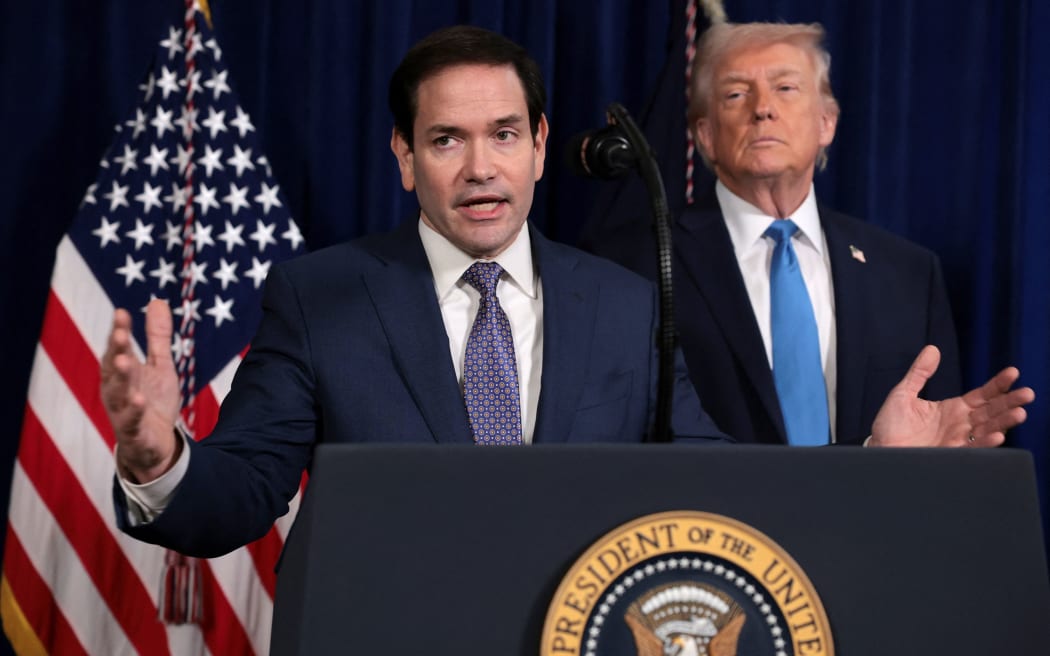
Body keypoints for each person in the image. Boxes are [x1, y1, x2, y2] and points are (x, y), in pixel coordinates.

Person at [102, 25, 1033, 558]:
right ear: (403, 156)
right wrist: (160, 458)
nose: (480, 168)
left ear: (543, 147)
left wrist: (872, 458)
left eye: (505, 134)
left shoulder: (622, 302)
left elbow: (721, 480)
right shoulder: (323, 297)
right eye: (446, 139)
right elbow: (241, 495)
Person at [588, 21, 970, 445]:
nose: (762, 108)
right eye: (736, 94)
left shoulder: (909, 275)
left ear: (827, 122)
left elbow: (938, 446)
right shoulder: (631, 263)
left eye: (786, 88)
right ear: (706, 136)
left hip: (870, 509)